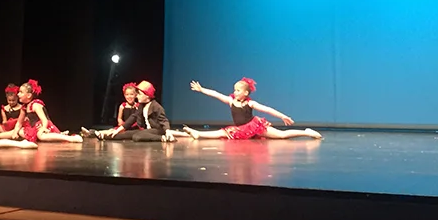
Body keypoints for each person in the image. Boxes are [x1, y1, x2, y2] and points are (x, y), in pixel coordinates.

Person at [181, 78, 322, 140]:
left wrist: (282, 116)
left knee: (281, 135)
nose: (235, 92)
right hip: (241, 129)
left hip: (254, 127)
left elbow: (267, 109)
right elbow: (216, 94)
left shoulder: (250, 103)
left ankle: (306, 132)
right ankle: (198, 134)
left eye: (238, 90)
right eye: (234, 90)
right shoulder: (231, 101)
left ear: (246, 93)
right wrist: (202, 89)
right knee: (223, 133)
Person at [99, 80, 176, 142]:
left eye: (139, 94)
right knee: (123, 134)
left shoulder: (156, 106)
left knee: (137, 136)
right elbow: (133, 117)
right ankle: (104, 136)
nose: (137, 96)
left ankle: (162, 138)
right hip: (145, 131)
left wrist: (167, 131)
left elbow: (163, 120)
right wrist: (118, 130)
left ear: (147, 96)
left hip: (156, 130)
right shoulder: (141, 106)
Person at [8, 79, 83, 143]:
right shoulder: (24, 107)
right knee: (21, 131)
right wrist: (15, 132)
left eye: (21, 92)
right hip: (34, 128)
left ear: (28, 95)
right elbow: (19, 123)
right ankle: (58, 135)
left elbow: (44, 120)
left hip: (45, 125)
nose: (18, 94)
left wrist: (43, 128)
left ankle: (70, 138)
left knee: (40, 135)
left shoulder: (35, 105)